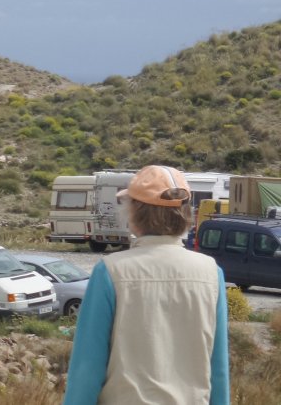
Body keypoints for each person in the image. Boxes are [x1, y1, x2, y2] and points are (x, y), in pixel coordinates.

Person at [64, 165, 229, 405]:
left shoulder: (110, 271)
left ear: (135, 212)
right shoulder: (211, 272)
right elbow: (219, 370)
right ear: (185, 214)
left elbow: (87, 369)